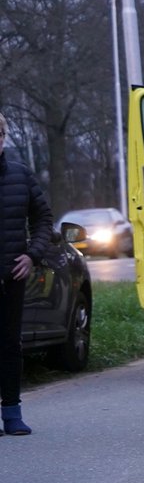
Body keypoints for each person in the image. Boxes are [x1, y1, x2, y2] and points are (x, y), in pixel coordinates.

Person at [0, 111, 53, 436]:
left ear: (3, 137)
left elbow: (44, 219)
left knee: (9, 346)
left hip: (11, 280)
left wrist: (33, 255)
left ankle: (12, 412)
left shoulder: (21, 176)